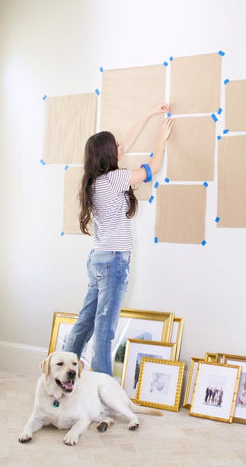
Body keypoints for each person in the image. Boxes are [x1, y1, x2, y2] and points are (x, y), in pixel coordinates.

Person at [63, 103, 173, 375]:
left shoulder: (94, 180)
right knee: (104, 330)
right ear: (109, 155)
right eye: (116, 146)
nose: (121, 145)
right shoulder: (115, 179)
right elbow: (154, 167)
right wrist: (162, 137)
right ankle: (103, 390)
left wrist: (148, 114)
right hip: (113, 262)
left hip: (98, 259)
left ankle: (60, 377)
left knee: (85, 322)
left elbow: (125, 140)